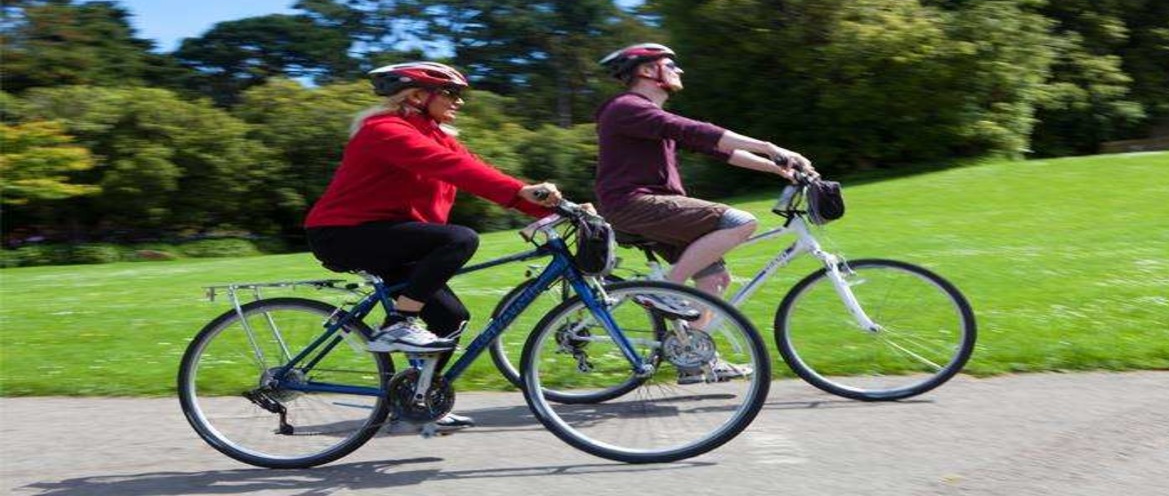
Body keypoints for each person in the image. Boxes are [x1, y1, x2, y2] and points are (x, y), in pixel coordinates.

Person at [305, 61, 561, 428]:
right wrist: (522, 192)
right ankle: (399, 322)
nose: (459, 101)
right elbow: (448, 167)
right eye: (451, 93)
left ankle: (418, 401)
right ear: (416, 95)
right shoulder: (384, 129)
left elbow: (475, 170)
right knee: (460, 238)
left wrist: (553, 207)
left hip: (390, 235)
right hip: (344, 233)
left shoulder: (437, 135)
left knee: (450, 317)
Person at [593, 43, 815, 383]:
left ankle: (693, 361)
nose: (679, 70)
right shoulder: (626, 107)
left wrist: (777, 168)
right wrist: (770, 147)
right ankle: (666, 288)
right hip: (634, 204)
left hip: (655, 207)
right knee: (741, 222)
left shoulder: (649, 116)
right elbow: (694, 130)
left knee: (714, 280)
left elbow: (714, 148)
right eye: (671, 64)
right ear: (648, 71)